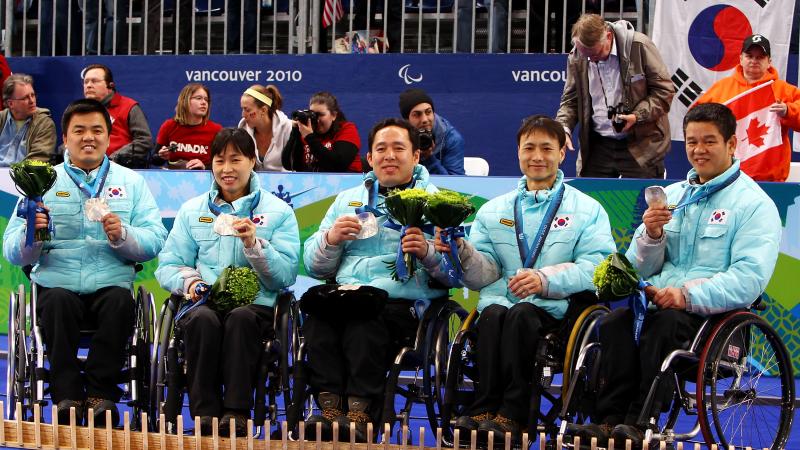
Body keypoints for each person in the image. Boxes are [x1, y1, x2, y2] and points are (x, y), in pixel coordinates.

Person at [573, 103, 781, 448]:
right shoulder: (671, 197)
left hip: (713, 321)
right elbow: (635, 269)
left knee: (665, 326)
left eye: (709, 141)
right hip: (658, 307)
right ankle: (608, 421)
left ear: (732, 144)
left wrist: (688, 296)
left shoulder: (754, 205)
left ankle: (642, 423)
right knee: (614, 324)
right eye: (691, 142)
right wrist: (650, 238)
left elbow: (749, 278)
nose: (698, 151)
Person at [446, 115, 614, 442]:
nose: (537, 156)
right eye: (529, 148)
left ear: (562, 153)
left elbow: (596, 265)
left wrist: (544, 280)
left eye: (547, 148)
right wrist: (463, 252)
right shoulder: (493, 210)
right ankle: (483, 407)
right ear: (518, 152)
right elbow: (486, 271)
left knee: (520, 315)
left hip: (557, 312)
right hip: (504, 305)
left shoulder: (587, 209)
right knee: (492, 315)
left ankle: (514, 412)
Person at [2, 98, 168, 427]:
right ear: (65, 138)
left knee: (120, 302)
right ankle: (67, 395)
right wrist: (32, 236)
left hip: (110, 281)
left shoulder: (132, 183)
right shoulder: (42, 181)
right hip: (57, 282)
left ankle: (100, 394)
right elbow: (11, 249)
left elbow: (154, 240)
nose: (88, 137)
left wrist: (123, 234)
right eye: (79, 131)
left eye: (96, 130)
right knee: (59, 301)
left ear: (108, 137)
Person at [302, 118, 453, 442]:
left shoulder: (437, 203)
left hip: (406, 305)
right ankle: (329, 407)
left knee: (365, 320)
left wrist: (427, 252)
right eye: (381, 149)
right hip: (349, 294)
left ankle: (360, 411)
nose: (389, 156)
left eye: (399, 148)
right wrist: (330, 239)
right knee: (317, 314)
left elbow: (456, 273)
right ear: (369, 158)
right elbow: (314, 266)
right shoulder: (348, 200)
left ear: (416, 156)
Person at [155, 128, 300, 436]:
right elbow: (168, 265)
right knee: (204, 319)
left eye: (236, 159)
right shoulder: (192, 210)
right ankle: (205, 413)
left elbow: (286, 275)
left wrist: (255, 246)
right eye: (219, 160)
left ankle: (236, 411)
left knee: (241, 318)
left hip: (256, 307)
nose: (227, 169)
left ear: (253, 161)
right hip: (203, 300)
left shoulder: (279, 212)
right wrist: (191, 284)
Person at [556, 13, 674, 178]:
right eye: (586, 55)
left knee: (641, 203)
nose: (592, 60)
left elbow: (664, 91)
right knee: (592, 201)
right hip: (597, 146)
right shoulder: (577, 57)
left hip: (640, 145)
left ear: (609, 36)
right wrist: (563, 128)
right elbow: (570, 100)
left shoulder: (639, 46)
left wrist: (636, 116)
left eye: (595, 54)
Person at [695, 34, 800, 182]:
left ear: (769, 62)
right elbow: (694, 120)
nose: (754, 61)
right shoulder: (721, 88)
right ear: (740, 59)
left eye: (760, 57)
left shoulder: (783, 90)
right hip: (726, 178)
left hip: (770, 181)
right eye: (749, 56)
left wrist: (788, 111)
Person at [81, 64, 153, 168]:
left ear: (110, 85)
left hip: (120, 168)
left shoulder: (129, 106)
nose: (88, 85)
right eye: (86, 82)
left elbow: (144, 140)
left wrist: (114, 158)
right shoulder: (79, 111)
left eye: (94, 81)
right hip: (86, 167)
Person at [282, 91, 361, 172]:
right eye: (313, 115)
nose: (316, 119)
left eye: (321, 114)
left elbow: (338, 165)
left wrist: (310, 138)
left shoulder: (347, 129)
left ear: (334, 115)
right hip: (310, 183)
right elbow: (289, 164)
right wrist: (295, 132)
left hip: (346, 182)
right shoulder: (307, 133)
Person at [152, 83, 222, 170]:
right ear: (185, 100)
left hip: (204, 179)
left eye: (206, 100)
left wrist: (205, 167)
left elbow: (222, 163)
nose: (204, 102)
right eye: (199, 98)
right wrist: (161, 156)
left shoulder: (216, 130)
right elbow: (154, 160)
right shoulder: (169, 126)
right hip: (175, 179)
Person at [398, 88, 465, 175]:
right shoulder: (398, 137)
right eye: (417, 114)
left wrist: (428, 158)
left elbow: (455, 183)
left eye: (428, 112)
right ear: (407, 120)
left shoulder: (451, 139)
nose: (425, 119)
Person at [0, 74, 57, 166]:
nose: (32, 101)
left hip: (24, 177)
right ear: (11, 104)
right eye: (25, 98)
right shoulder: (1, 119)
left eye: (33, 95)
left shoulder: (44, 123)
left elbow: (38, 159)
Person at [237, 84, 292, 172]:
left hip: (284, 183)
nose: (243, 115)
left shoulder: (287, 128)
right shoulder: (243, 128)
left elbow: (294, 168)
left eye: (247, 110)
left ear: (263, 110)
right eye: (242, 109)